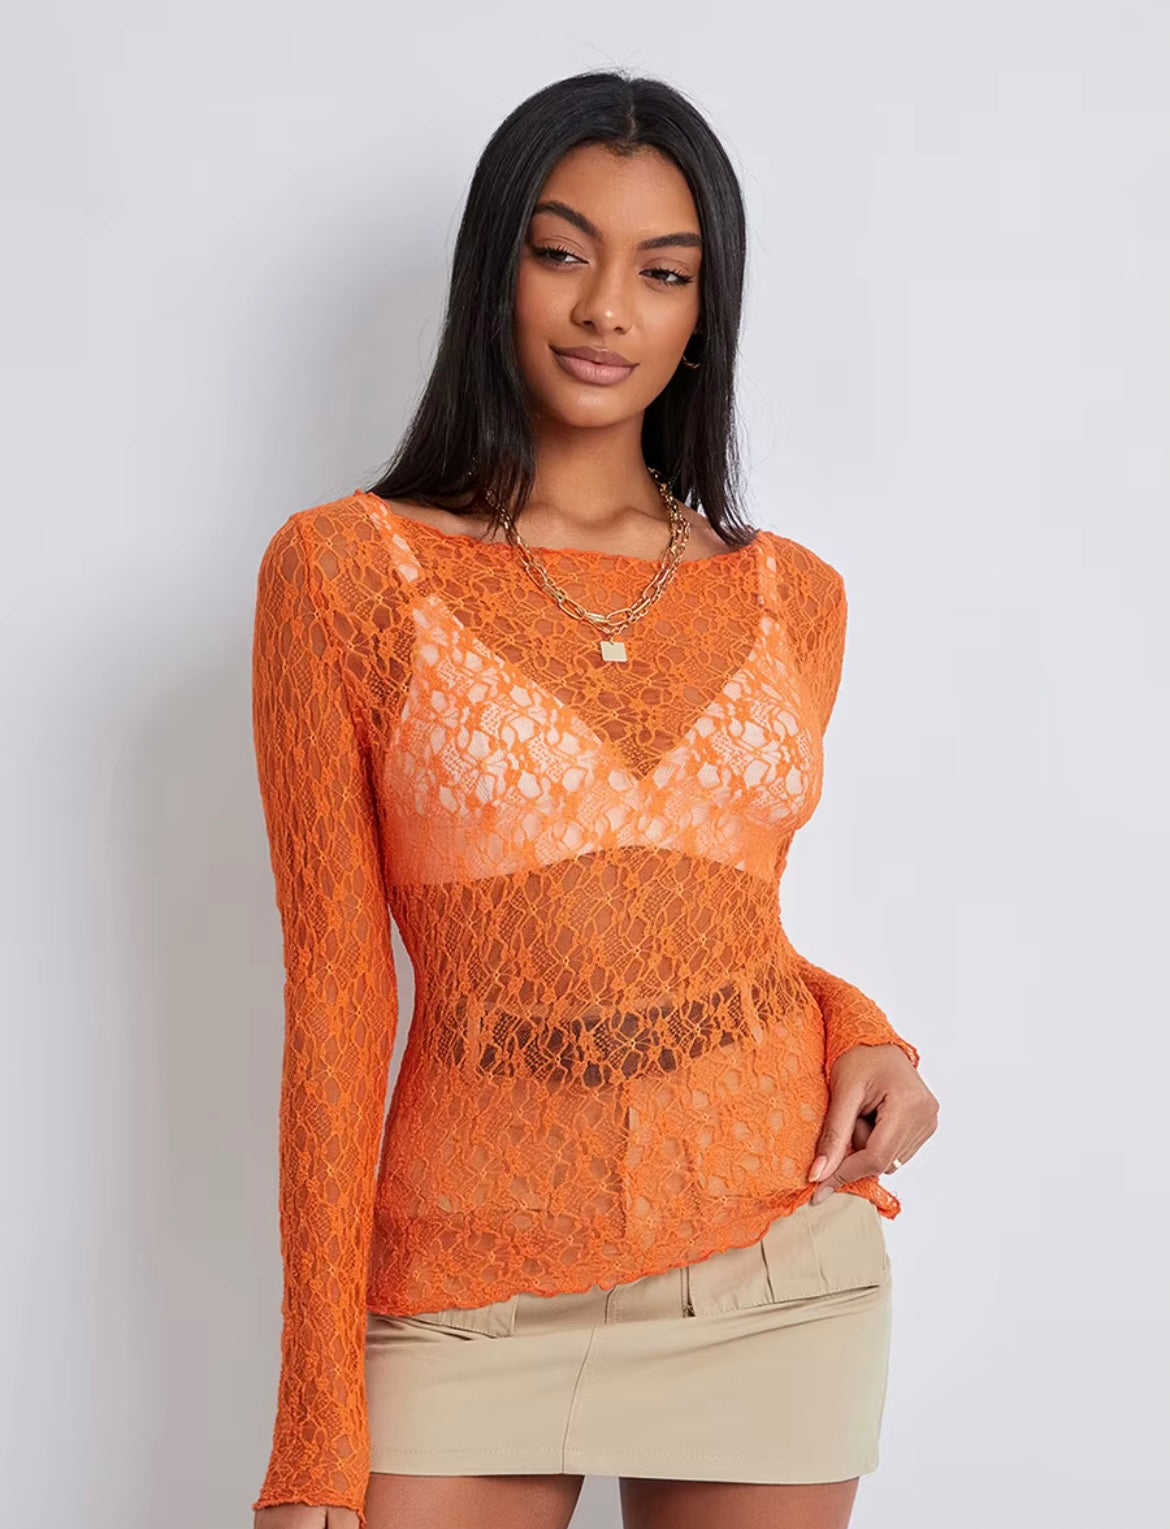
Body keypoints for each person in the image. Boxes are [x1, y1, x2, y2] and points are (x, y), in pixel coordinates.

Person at [249, 69, 939, 1529]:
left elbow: (710, 915)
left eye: (662, 272)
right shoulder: (347, 573)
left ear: (704, 310)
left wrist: (860, 1025)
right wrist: (312, 1431)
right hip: (466, 1286)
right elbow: (336, 997)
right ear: (493, 272)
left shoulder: (792, 597)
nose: (606, 308)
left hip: (774, 1275)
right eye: (562, 253)